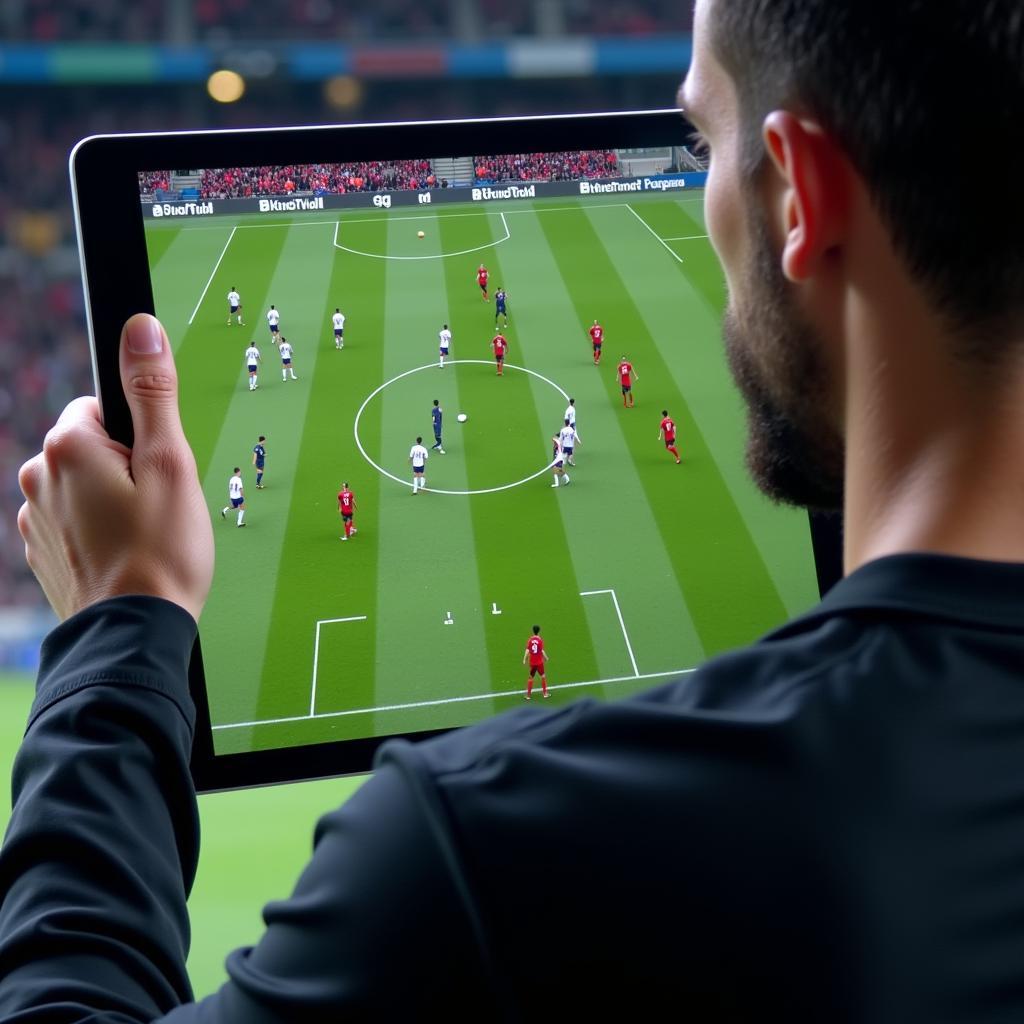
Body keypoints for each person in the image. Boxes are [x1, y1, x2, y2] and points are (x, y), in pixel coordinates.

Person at [5, 1, 1024, 1018]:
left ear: (798, 197)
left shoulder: (488, 852)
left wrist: (116, 635)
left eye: (699, 141)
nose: (697, 180)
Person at [522, 625, 549, 700]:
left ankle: (528, 695)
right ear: (539, 631)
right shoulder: (540, 640)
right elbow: (541, 651)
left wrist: (524, 659)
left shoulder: (530, 640)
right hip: (539, 662)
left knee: (530, 678)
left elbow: (527, 650)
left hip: (532, 662)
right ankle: (545, 693)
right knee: (543, 676)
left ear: (533, 631)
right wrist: (546, 657)